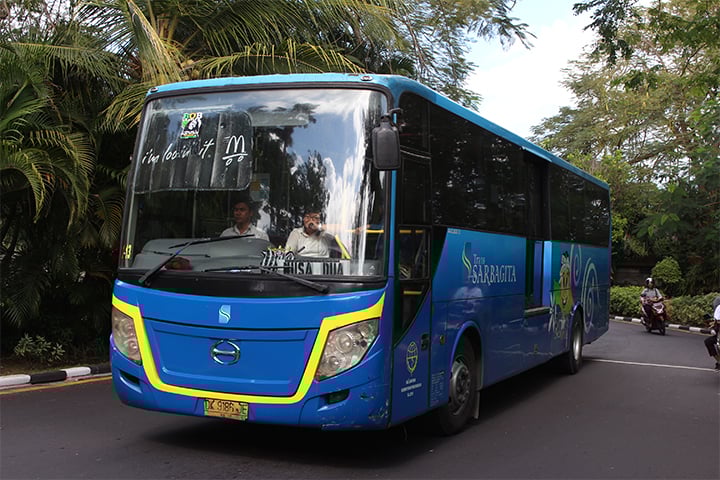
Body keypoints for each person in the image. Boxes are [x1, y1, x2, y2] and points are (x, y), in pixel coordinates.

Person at [703, 296, 720, 370]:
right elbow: (716, 325)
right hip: (718, 336)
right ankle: (719, 361)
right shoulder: (717, 315)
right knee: (708, 342)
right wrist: (713, 326)